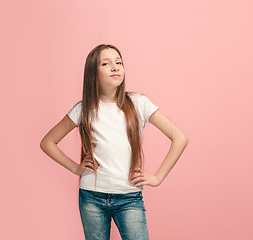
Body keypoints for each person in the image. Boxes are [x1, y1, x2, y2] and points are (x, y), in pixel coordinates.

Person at [40, 44, 189, 240]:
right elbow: (48, 142)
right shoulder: (83, 109)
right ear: (93, 73)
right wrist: (76, 168)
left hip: (129, 197)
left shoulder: (139, 103)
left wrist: (158, 177)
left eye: (119, 62)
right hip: (91, 197)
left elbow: (180, 137)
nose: (115, 67)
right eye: (106, 63)